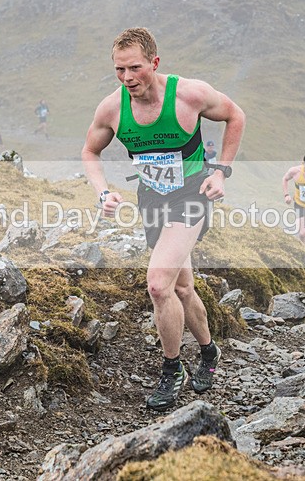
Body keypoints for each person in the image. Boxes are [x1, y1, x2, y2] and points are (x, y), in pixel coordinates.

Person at [82, 27, 245, 411]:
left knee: (158, 285)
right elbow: (90, 152)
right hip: (152, 200)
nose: (127, 78)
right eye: (119, 70)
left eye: (135, 68)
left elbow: (235, 116)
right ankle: (209, 353)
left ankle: (172, 370)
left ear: (154, 63)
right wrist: (103, 191)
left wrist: (221, 171)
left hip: (191, 197)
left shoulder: (189, 94)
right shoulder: (112, 108)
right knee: (183, 288)